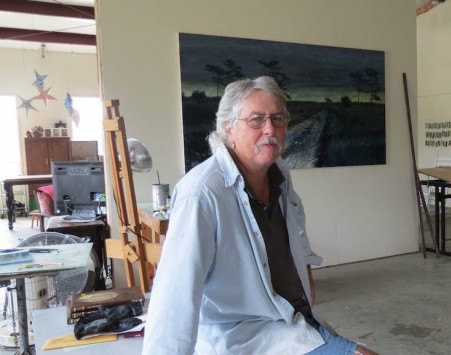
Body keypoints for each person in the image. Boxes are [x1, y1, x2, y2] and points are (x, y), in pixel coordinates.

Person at [142, 77, 378, 354]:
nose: (270, 129)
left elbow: (296, 232)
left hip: (292, 320)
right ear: (229, 128)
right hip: (243, 335)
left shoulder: (279, 174)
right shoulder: (202, 193)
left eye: (278, 119)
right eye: (256, 120)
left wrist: (307, 273)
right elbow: (175, 295)